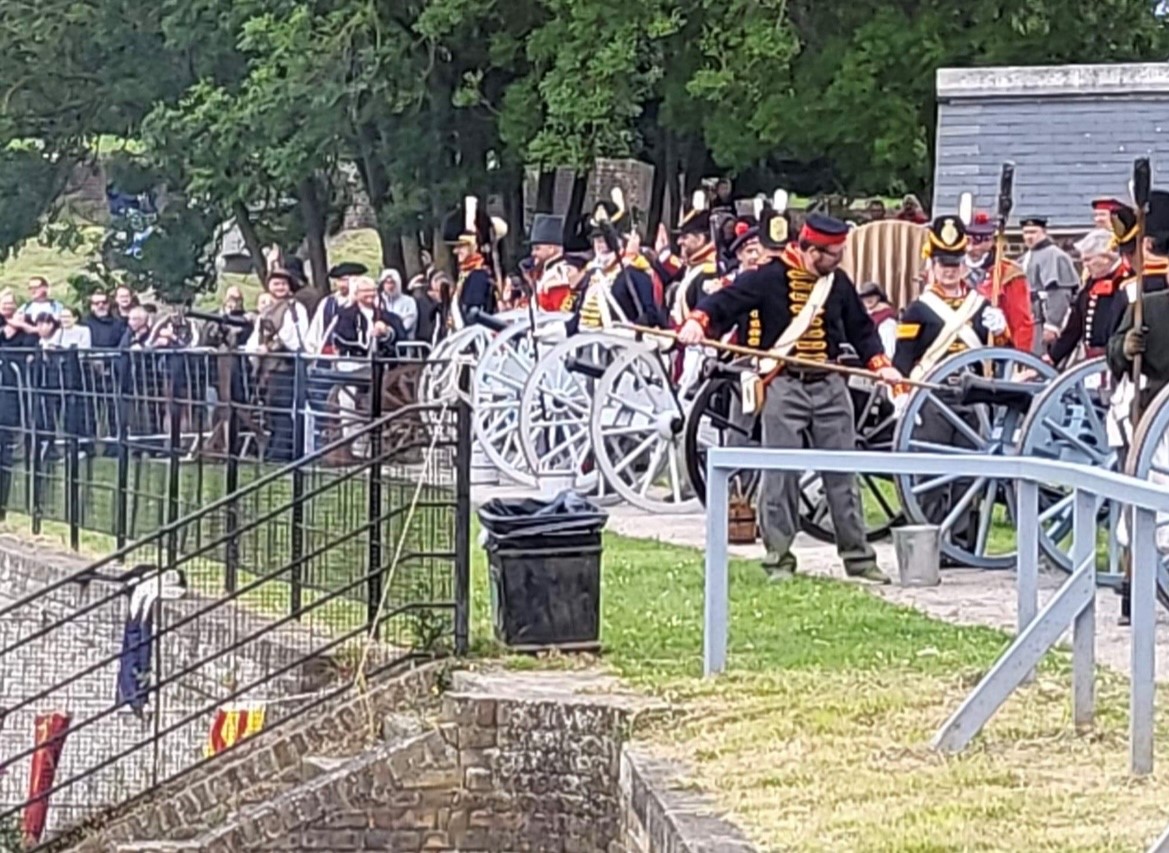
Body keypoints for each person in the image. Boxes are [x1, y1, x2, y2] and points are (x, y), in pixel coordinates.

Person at [676, 212, 900, 584]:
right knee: (780, 475)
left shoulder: (836, 283)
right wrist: (697, 323)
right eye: (832, 253)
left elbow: (862, 329)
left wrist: (880, 364)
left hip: (829, 383)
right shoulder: (769, 277)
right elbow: (725, 301)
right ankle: (779, 558)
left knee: (842, 474)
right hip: (783, 383)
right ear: (812, 251)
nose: (839, 260)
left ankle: (858, 558)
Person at [893, 216, 1009, 554]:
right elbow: (904, 358)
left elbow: (999, 353)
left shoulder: (980, 305)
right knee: (931, 473)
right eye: (943, 264)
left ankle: (961, 544)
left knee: (968, 475)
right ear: (932, 265)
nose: (949, 271)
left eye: (955, 264)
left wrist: (1000, 329)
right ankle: (931, 543)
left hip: (973, 396)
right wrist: (901, 397)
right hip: (934, 396)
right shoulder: (918, 310)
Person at [537, 191, 661, 342]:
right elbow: (580, 321)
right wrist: (552, 332)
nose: (600, 246)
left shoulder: (634, 273)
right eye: (597, 240)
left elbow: (651, 317)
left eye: (604, 240)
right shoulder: (592, 274)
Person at [965, 211, 1035, 353]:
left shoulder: (1009, 274)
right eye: (969, 239)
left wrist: (1020, 358)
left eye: (980, 239)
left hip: (995, 348)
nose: (972, 246)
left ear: (990, 241)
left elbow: (1021, 323)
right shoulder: (951, 269)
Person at [1019, 215, 1079, 352]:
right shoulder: (1026, 257)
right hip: (1029, 317)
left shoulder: (1055, 256)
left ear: (1044, 232)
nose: (1029, 237)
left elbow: (1059, 294)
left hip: (1043, 317)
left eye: (1033, 232)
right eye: (1026, 232)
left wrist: (1052, 325)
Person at [441, 197, 501, 329]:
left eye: (461, 246)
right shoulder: (468, 275)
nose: (456, 251)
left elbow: (472, 318)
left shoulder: (478, 277)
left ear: (474, 246)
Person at [528, 214, 576, 313]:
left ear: (551, 249)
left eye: (537, 249)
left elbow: (558, 313)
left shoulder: (560, 275)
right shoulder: (545, 271)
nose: (533, 253)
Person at [858, 282, 897, 358]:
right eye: (864, 297)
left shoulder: (887, 320)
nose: (868, 299)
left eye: (872, 295)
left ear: (879, 297)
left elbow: (889, 351)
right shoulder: (865, 315)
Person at [378, 268, 418, 339]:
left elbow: (407, 325)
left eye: (392, 282)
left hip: (404, 343)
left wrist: (389, 330)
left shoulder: (409, 301)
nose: (390, 286)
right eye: (387, 282)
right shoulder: (378, 300)